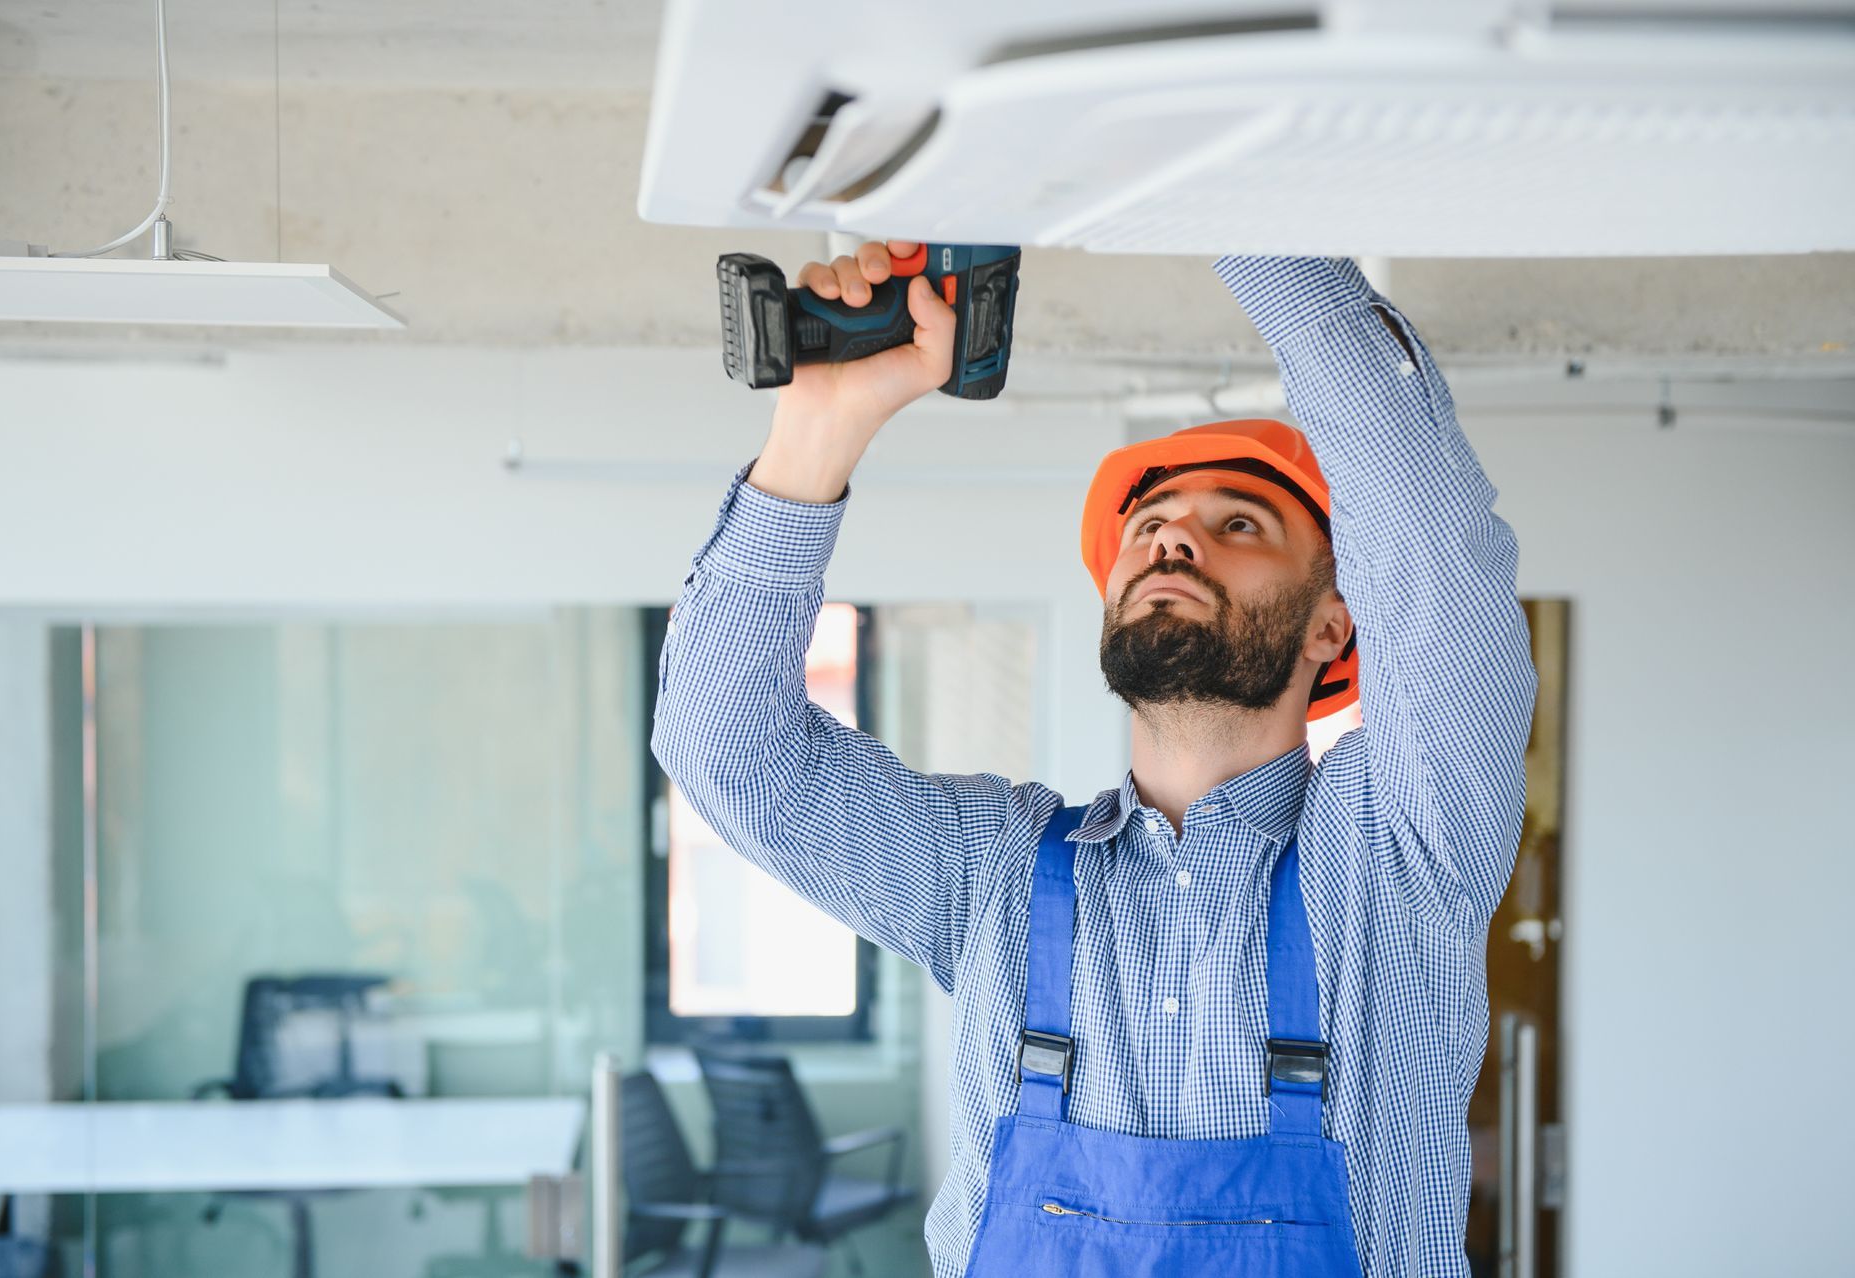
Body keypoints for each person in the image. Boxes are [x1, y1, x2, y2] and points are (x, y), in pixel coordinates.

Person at [652, 243, 1535, 1277]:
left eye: (1237, 523)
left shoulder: (1400, 853)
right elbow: (725, 746)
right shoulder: (995, 871)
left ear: (1335, 629)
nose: (1173, 542)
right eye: (1151, 525)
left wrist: (1213, 190)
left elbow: (1436, 554)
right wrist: (818, 427)